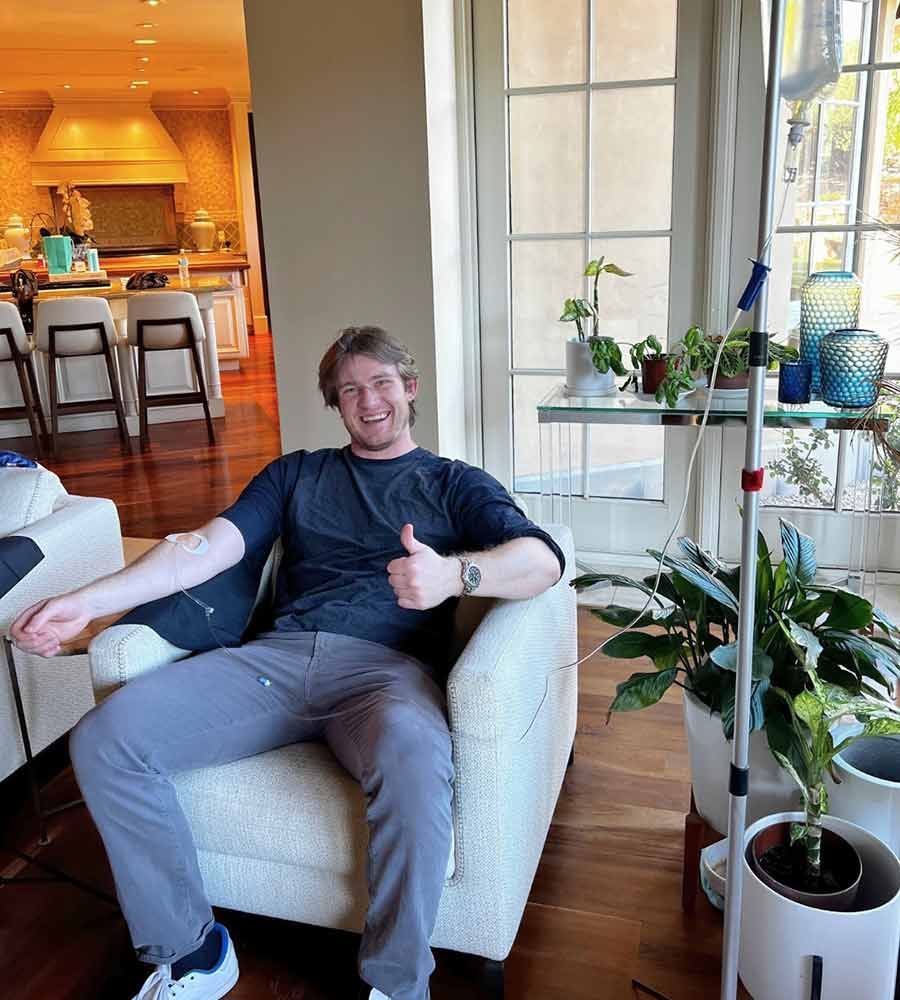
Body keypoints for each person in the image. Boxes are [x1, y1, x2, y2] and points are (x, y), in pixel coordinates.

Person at [11, 326, 565, 1000]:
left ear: (410, 388)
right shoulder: (297, 473)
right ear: (336, 403)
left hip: (385, 675)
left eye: (382, 382)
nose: (370, 401)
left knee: (416, 759)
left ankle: (396, 983)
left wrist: (454, 576)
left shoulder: (453, 484)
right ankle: (193, 955)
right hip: (273, 662)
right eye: (351, 389)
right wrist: (86, 602)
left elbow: (541, 561)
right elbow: (202, 548)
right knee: (105, 739)